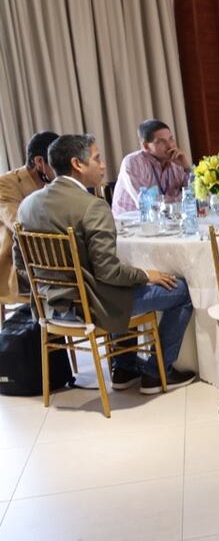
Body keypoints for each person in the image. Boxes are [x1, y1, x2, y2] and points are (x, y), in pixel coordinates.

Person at [16, 134, 195, 392]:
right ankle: (157, 373)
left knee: (120, 284)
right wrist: (147, 275)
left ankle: (124, 369)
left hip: (49, 307)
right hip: (90, 307)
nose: (103, 165)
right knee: (182, 290)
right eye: (97, 158)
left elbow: (21, 265)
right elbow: (109, 272)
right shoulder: (92, 207)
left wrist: (52, 288)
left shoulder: (27, 205)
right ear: (77, 164)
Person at [0, 131, 57, 304]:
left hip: (49, 255)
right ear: (39, 162)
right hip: (17, 264)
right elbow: (19, 225)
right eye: (55, 163)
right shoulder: (5, 184)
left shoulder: (53, 184)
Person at [111, 119, 191, 214]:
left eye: (171, 139)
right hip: (130, 220)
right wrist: (181, 199)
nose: (170, 146)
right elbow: (146, 203)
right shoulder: (134, 162)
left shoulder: (176, 162)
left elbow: (197, 195)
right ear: (146, 146)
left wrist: (186, 167)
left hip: (165, 219)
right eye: (161, 142)